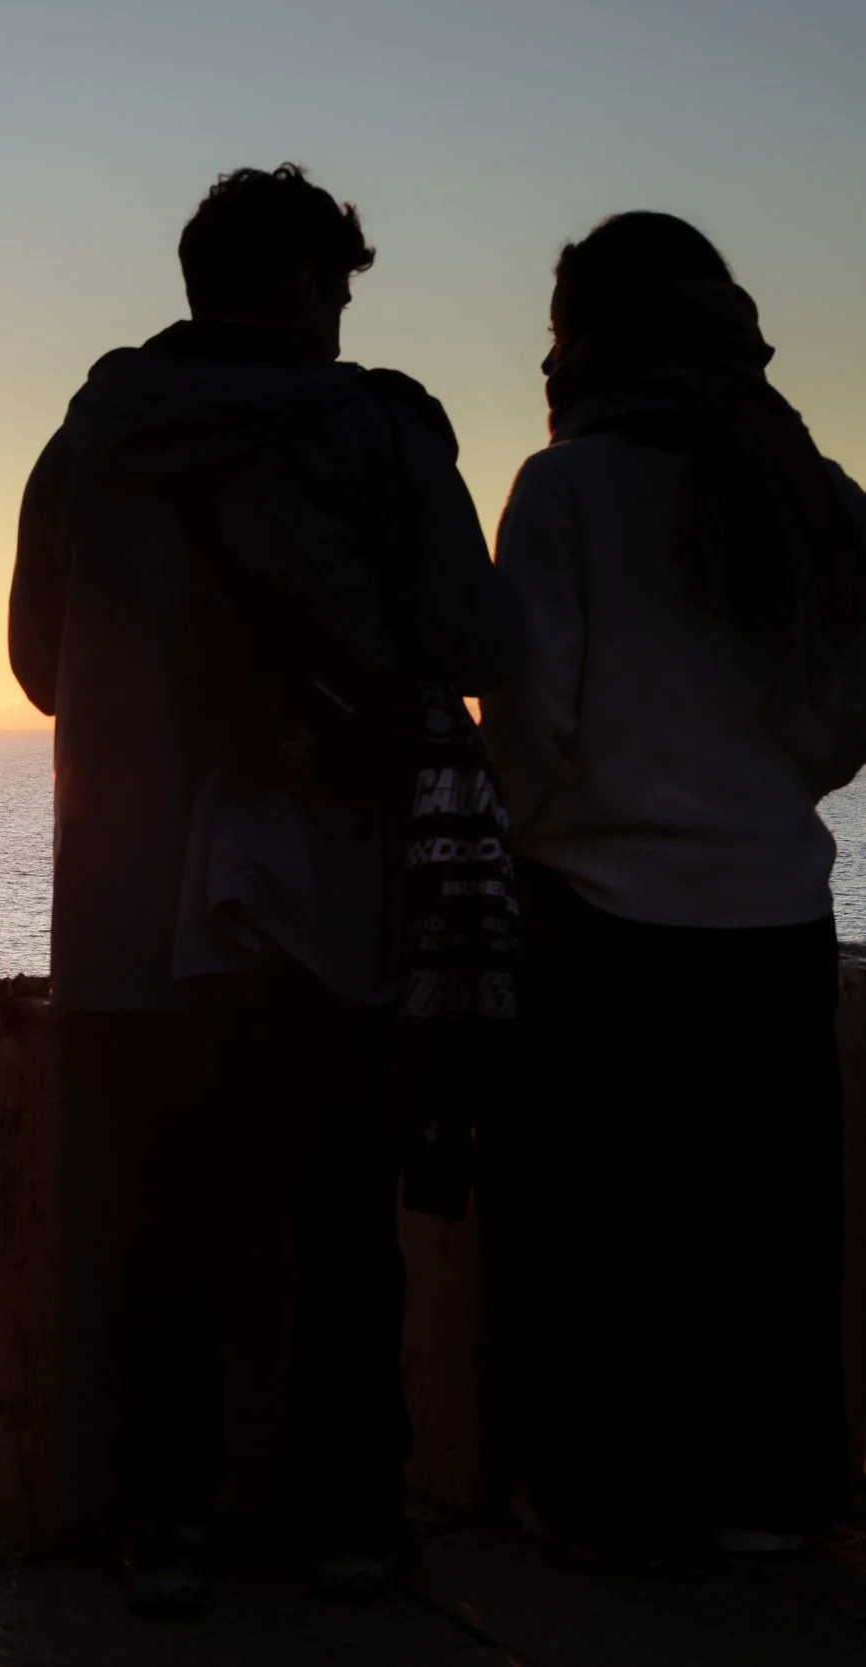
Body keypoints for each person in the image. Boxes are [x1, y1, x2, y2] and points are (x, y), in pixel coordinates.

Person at [9, 165, 519, 1613]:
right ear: (305, 287)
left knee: (158, 1233)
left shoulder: (91, 435)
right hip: (320, 912)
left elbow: (40, 664)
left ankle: (160, 1532)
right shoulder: (378, 428)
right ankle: (350, 1522)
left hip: (126, 921)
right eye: (339, 290)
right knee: (339, 1232)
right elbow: (475, 640)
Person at [483, 213, 866, 1562]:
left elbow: (529, 707)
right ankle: (768, 1498)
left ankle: (606, 1502)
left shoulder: (570, 488)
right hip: (776, 906)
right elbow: (842, 713)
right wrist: (765, 792)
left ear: (582, 335)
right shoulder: (809, 487)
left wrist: (551, 824)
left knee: (605, 1235)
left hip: (599, 915)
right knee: (768, 1238)